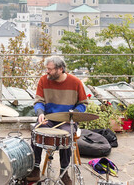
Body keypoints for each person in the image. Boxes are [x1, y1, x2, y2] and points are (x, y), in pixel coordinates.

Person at [26, 56, 88, 185]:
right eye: (46, 69)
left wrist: (73, 114)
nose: (47, 72)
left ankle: (64, 172)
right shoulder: (43, 80)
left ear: (60, 69)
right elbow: (39, 101)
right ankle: (35, 167)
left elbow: (83, 104)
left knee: (66, 135)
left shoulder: (76, 82)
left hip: (66, 121)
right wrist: (40, 113)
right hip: (49, 118)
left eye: (50, 69)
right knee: (36, 131)